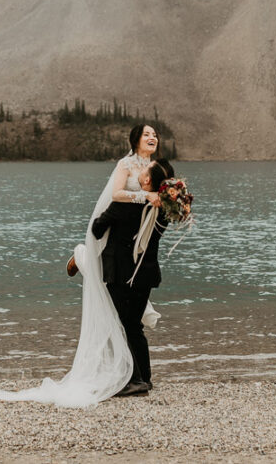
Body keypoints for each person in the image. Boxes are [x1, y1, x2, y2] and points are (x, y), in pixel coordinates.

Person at [0, 124, 168, 407]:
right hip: (121, 236)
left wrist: (171, 202)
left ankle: (140, 377)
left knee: (129, 316)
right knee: (119, 302)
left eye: (155, 135)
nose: (153, 138)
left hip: (141, 245)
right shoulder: (126, 165)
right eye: (147, 134)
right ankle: (83, 259)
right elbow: (116, 195)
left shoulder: (156, 168)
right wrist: (145, 196)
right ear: (136, 139)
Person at [91, 159, 170, 396]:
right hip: (146, 274)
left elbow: (97, 228)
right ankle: (145, 378)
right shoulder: (163, 210)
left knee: (125, 325)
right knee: (135, 326)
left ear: (146, 181)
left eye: (145, 169)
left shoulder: (123, 206)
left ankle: (135, 379)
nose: (140, 171)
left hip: (121, 273)